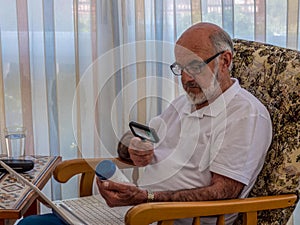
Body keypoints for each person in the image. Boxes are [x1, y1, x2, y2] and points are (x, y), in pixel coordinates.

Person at [18, 22, 272, 225]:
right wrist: (131, 147)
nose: (185, 78)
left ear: (225, 61)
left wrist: (147, 198)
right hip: (140, 211)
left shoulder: (245, 115)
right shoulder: (185, 104)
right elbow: (140, 140)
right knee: (29, 223)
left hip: (175, 219)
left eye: (194, 66)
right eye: (180, 67)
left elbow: (223, 192)